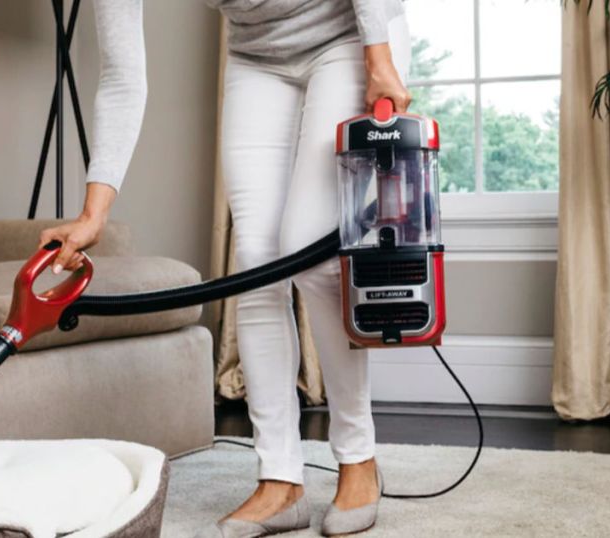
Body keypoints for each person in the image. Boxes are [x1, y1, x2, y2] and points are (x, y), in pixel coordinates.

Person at [39, 1, 411, 536]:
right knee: (256, 268)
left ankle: (358, 460)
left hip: (347, 32)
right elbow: (122, 78)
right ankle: (280, 481)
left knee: (308, 251)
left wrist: (379, 57)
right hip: (256, 54)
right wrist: (94, 213)